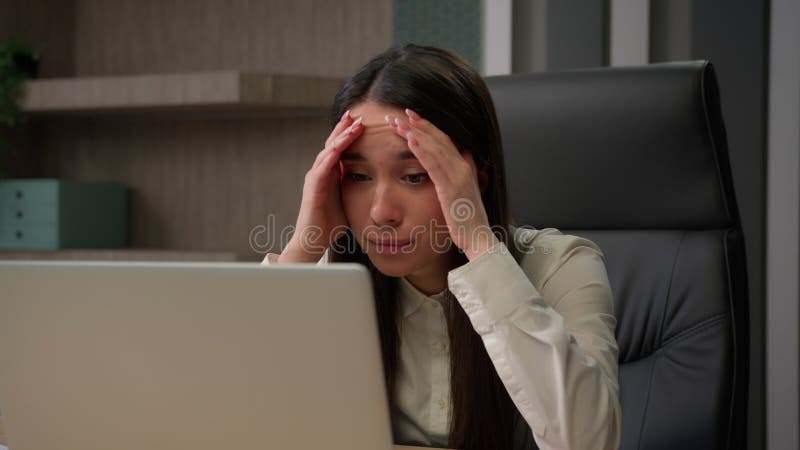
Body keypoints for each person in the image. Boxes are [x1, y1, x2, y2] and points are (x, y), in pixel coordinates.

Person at [262, 44, 620, 450]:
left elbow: (590, 442)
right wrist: (302, 248)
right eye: (358, 177)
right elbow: (235, 417)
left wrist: (479, 245)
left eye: (414, 176)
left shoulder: (562, 266)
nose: (381, 212)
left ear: (477, 177)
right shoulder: (329, 277)